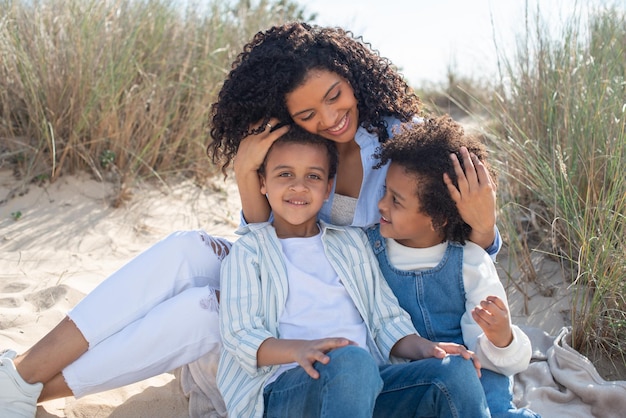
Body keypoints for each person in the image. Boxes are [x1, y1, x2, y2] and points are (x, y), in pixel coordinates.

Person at [1, 22, 499, 417]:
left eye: (333, 95)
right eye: (306, 114)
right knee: (185, 253)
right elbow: (268, 230)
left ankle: (31, 388)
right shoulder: (306, 146)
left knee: (203, 312)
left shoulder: (407, 140)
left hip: (362, 293)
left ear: (353, 74)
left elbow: (453, 245)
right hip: (287, 269)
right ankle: (22, 377)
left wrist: (485, 226)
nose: (327, 118)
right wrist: (246, 170)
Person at [218, 126, 490, 418]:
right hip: (284, 392)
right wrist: (301, 350)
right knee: (351, 362)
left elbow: (385, 321)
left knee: (455, 369)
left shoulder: (351, 242)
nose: (299, 186)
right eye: (285, 174)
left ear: (327, 188)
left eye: (313, 176)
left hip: (368, 386)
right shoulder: (249, 252)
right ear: (263, 182)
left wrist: (427, 349)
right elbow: (240, 334)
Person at [365, 115, 539, 417]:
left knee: (494, 402)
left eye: (396, 201)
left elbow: (497, 354)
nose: (381, 205)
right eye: (384, 193)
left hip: (475, 372)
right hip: (413, 381)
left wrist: (501, 339)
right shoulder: (370, 251)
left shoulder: (470, 260)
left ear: (439, 217)